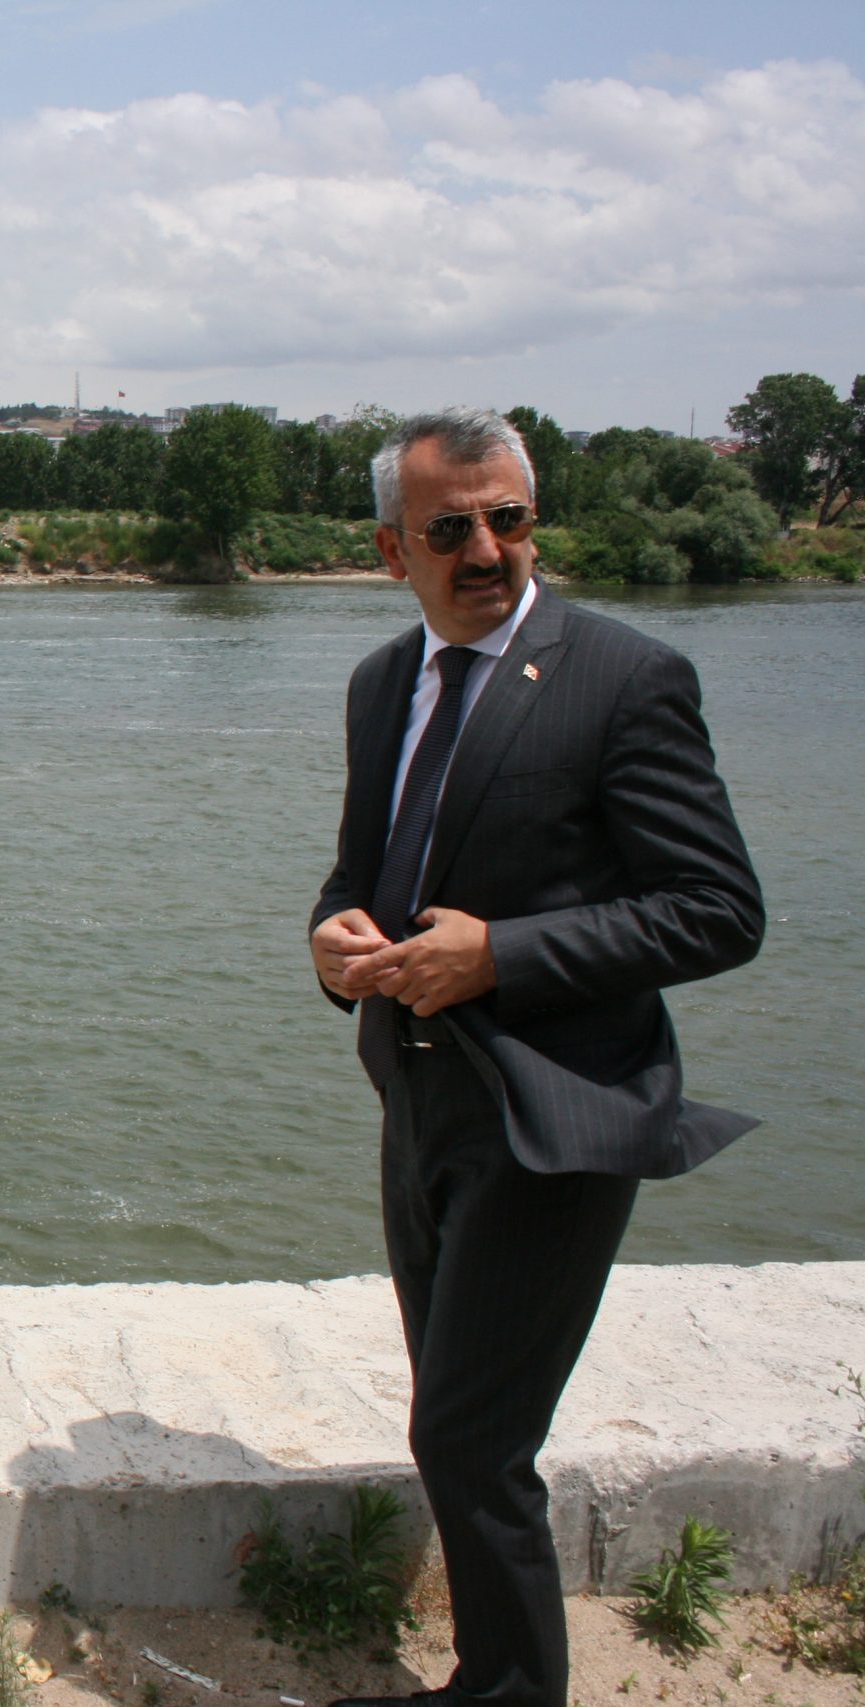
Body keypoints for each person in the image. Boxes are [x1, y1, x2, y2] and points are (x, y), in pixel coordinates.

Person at [308, 407, 764, 1707]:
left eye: (507, 519)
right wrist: (333, 945)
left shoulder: (626, 677)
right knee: (457, 1423)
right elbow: (360, 876)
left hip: (560, 1115)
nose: (487, 549)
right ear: (393, 550)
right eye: (450, 528)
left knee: (471, 1438)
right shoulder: (383, 684)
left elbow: (719, 910)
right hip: (421, 1100)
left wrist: (500, 955)